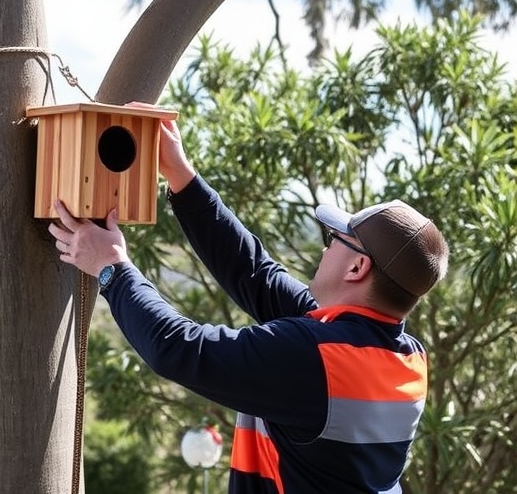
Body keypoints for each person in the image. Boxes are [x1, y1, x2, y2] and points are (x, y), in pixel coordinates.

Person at [47, 113, 449, 494]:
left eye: (334, 240)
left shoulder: (314, 359)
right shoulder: (404, 357)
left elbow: (177, 348)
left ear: (357, 267)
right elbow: (256, 275)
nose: (325, 250)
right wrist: (182, 178)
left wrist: (112, 267)